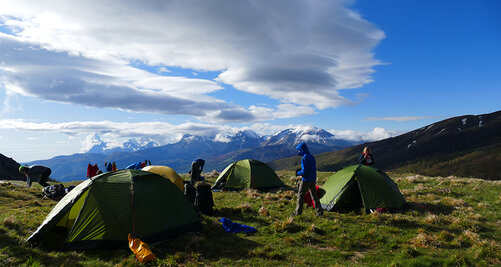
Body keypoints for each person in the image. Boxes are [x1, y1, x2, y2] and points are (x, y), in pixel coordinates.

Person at [292, 143, 323, 216]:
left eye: (299, 150)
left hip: (306, 180)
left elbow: (305, 171)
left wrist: (298, 173)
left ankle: (298, 213)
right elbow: (310, 168)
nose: (298, 151)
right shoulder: (311, 156)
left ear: (302, 150)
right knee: (314, 196)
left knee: (300, 196)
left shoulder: (304, 158)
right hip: (312, 179)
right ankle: (319, 212)